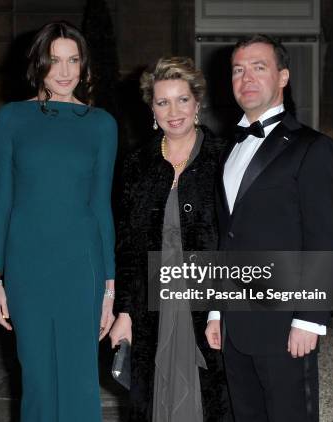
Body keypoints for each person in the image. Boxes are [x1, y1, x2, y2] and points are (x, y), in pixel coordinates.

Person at [205, 34, 333, 422]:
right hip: (234, 321)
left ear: (283, 76)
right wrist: (216, 311)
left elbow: (323, 238)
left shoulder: (313, 148)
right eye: (238, 70)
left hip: (285, 323)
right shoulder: (228, 149)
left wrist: (310, 318)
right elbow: (224, 236)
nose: (246, 77)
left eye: (258, 67)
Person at [0, 21, 117, 422]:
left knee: (79, 380)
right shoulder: (10, 118)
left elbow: (101, 206)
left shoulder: (101, 124)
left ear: (84, 66)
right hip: (27, 266)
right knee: (38, 378)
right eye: (54, 60)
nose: (64, 71)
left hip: (83, 268)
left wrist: (110, 288)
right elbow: (3, 200)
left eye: (73, 60)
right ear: (38, 64)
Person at [109, 57, 229, 422]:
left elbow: (235, 240)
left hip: (205, 303)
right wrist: (124, 313)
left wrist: (222, 308)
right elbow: (127, 243)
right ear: (152, 109)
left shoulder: (224, 157)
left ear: (198, 103)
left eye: (182, 99)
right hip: (151, 306)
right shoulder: (137, 163)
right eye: (162, 102)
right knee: (152, 397)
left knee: (209, 397)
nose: (172, 111)